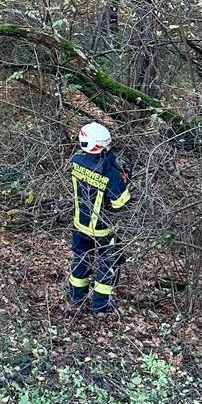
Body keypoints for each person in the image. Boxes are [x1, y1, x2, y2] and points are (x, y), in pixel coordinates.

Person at [68, 121, 132, 314]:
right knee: (108, 264)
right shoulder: (109, 173)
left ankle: (75, 299)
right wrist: (125, 181)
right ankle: (100, 306)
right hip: (103, 229)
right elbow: (120, 202)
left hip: (80, 224)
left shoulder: (76, 161)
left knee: (81, 261)